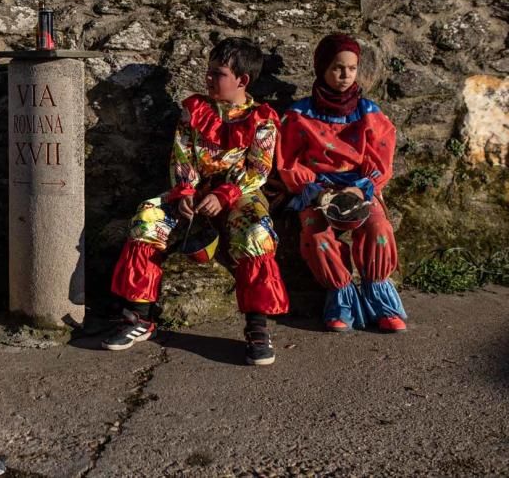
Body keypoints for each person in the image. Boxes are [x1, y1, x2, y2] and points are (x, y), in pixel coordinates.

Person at [104, 37, 289, 365]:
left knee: (256, 232)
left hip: (239, 194)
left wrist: (226, 193)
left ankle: (257, 328)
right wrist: (184, 192)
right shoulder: (194, 111)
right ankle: (139, 316)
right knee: (148, 218)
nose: (207, 78)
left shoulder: (262, 119)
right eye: (208, 71)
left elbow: (259, 169)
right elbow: (182, 156)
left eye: (217, 74)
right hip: (194, 193)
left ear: (242, 81)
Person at [276, 34, 407, 333]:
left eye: (352, 67)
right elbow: (288, 162)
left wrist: (361, 188)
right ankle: (342, 297)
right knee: (316, 234)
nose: (346, 75)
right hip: (316, 190)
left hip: (359, 187)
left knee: (378, 228)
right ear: (322, 69)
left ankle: (380, 299)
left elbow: (381, 160)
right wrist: (317, 191)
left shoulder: (369, 113)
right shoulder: (298, 115)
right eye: (337, 67)